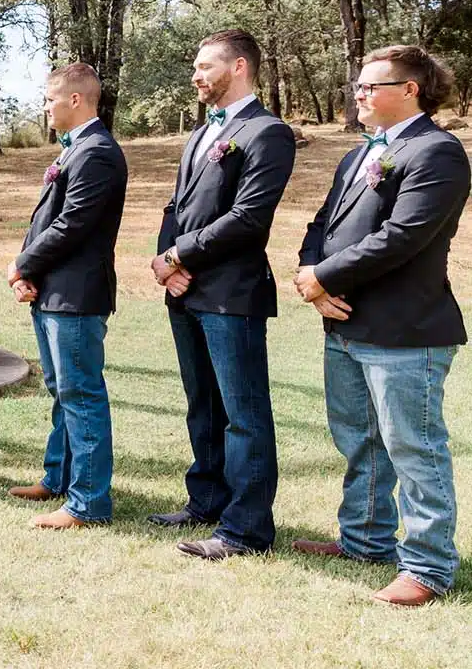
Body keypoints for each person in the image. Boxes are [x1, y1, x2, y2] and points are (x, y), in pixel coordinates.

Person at [292, 45, 467, 606]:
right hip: (345, 324)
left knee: (414, 449)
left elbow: (403, 236)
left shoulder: (437, 151)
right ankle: (365, 541)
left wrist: (324, 276)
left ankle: (428, 567)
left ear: (410, 90)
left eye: (370, 86)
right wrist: (312, 276)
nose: (359, 94)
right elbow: (323, 225)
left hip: (404, 330)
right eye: (358, 86)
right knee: (360, 442)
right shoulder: (359, 154)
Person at [149, 29, 296, 559]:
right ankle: (206, 500)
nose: (195, 76)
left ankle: (246, 529)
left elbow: (248, 217)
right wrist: (165, 263)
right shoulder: (200, 134)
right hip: (185, 292)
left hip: (232, 296)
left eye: (204, 66)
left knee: (243, 414)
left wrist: (179, 257)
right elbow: (176, 207)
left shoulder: (267, 133)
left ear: (238, 67)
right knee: (203, 407)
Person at [5, 63, 127, 529]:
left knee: (81, 394)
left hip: (76, 295)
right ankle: (58, 478)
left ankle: (88, 502)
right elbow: (45, 221)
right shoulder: (76, 150)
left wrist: (22, 264)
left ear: (75, 100)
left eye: (50, 99)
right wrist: (28, 272)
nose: (45, 108)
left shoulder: (97, 152)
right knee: (62, 391)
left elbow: (73, 224)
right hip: (53, 290)